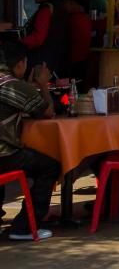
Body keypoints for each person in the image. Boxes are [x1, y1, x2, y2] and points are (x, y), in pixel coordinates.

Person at [0, 41, 58, 241]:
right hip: (4, 155)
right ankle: (24, 227)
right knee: (50, 167)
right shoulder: (13, 85)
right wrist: (42, 85)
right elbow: (47, 112)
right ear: (20, 64)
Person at [0, 0, 72, 79]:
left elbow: (37, 38)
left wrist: (17, 43)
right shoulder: (59, 7)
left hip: (42, 65)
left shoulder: (46, 9)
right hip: (57, 62)